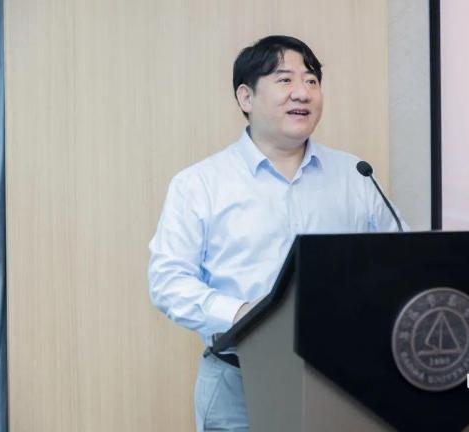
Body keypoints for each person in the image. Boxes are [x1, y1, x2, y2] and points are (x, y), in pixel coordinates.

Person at [148, 35, 404, 432]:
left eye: (311, 80)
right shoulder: (199, 184)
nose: (302, 92)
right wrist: (242, 314)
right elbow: (168, 282)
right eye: (284, 80)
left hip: (342, 378)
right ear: (246, 97)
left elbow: (401, 261)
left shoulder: (356, 176)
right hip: (239, 382)